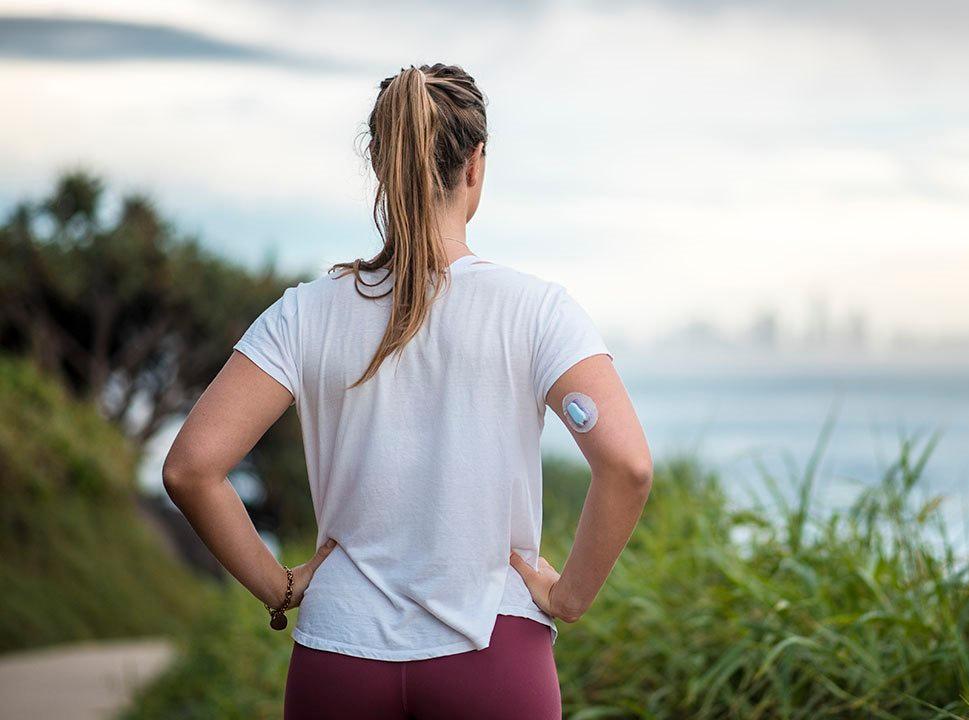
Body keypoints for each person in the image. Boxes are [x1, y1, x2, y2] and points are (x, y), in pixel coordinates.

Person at [162, 63, 652, 720]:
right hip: (493, 651)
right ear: (475, 166)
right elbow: (626, 466)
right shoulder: (537, 311)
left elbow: (192, 469)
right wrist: (568, 597)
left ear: (379, 162)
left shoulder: (305, 313)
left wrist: (278, 585)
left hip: (339, 656)